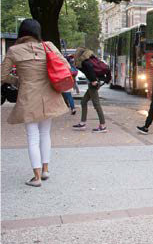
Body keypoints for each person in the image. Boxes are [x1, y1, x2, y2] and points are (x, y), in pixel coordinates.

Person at [1, 19, 69, 187]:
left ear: (22, 33)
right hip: (50, 96)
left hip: (28, 97)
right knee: (45, 134)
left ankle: (36, 177)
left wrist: (17, 81)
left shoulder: (14, 50)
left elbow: (2, 76)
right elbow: (65, 66)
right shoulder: (49, 46)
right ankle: (46, 170)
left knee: (32, 137)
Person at [72, 47, 107, 133]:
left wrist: (93, 80)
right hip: (93, 82)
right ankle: (82, 123)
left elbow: (90, 69)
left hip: (93, 83)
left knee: (96, 104)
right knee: (83, 102)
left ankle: (103, 125)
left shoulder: (86, 62)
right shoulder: (87, 60)